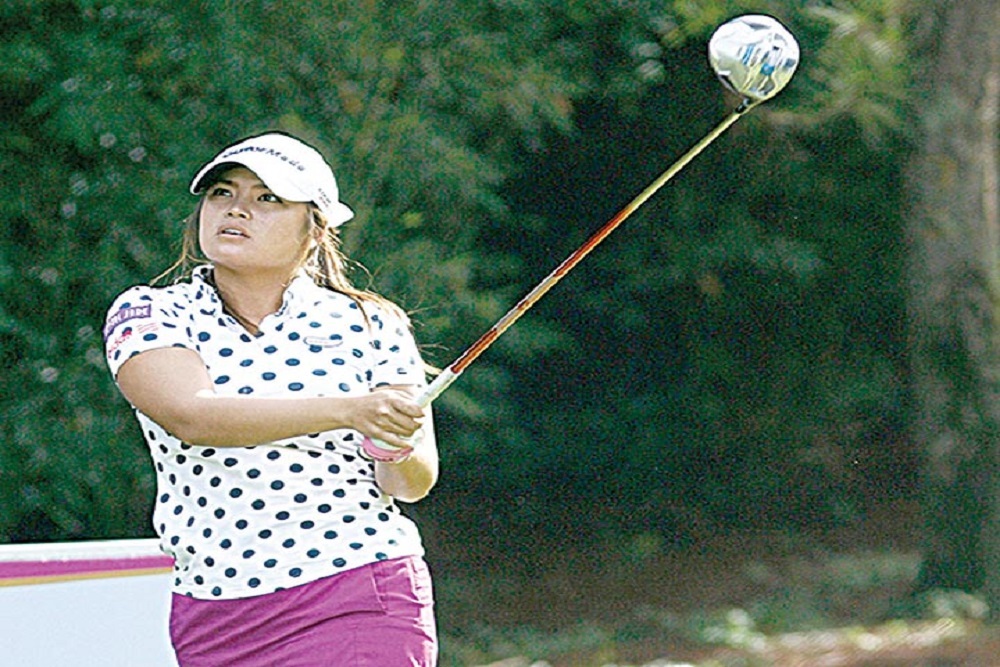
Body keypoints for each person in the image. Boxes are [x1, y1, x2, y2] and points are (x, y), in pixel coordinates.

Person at [103, 131, 440, 666]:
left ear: (316, 228)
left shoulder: (372, 321)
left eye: (267, 199)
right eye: (221, 193)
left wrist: (394, 443)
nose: (236, 210)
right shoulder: (150, 312)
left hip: (358, 584)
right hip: (216, 612)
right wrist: (350, 409)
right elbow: (192, 415)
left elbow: (412, 483)